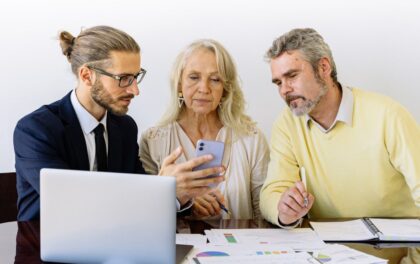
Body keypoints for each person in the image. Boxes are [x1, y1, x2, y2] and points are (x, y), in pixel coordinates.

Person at [13, 26, 224, 221]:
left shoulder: (124, 128)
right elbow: (74, 205)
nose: (135, 90)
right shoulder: (35, 130)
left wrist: (178, 194)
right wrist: (162, 187)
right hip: (44, 252)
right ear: (87, 76)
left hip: (114, 248)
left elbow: (139, 200)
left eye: (135, 77)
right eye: (123, 78)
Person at [260, 28, 420, 227]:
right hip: (330, 255)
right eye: (278, 82)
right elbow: (271, 192)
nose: (284, 90)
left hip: (397, 254)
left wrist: (412, 259)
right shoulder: (287, 124)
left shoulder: (388, 115)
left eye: (292, 76)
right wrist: (284, 210)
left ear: (324, 68)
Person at [140, 39, 269, 219]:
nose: (204, 88)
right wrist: (180, 198)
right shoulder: (153, 140)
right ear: (179, 84)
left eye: (215, 79)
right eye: (194, 77)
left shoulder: (251, 139)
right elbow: (146, 214)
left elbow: (264, 212)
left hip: (238, 244)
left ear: (225, 88)